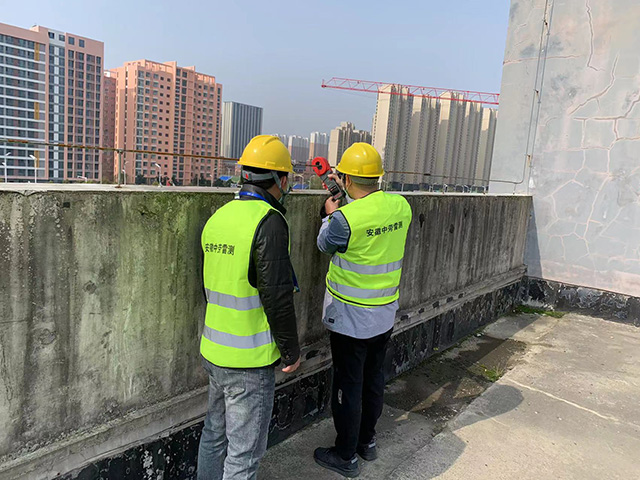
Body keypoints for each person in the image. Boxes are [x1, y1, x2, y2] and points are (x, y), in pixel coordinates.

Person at [197, 135, 301, 480]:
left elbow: (207, 283)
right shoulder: (268, 221)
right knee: (244, 454)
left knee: (214, 436)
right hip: (248, 361)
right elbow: (277, 296)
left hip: (215, 350)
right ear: (280, 180)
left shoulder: (219, 216)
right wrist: (291, 351)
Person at [313, 143, 412, 478]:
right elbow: (374, 221)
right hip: (384, 313)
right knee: (373, 379)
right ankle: (367, 442)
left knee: (348, 385)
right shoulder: (401, 206)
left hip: (350, 318)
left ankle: (345, 455)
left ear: (348, 179)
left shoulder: (344, 220)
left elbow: (325, 244)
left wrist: (330, 213)